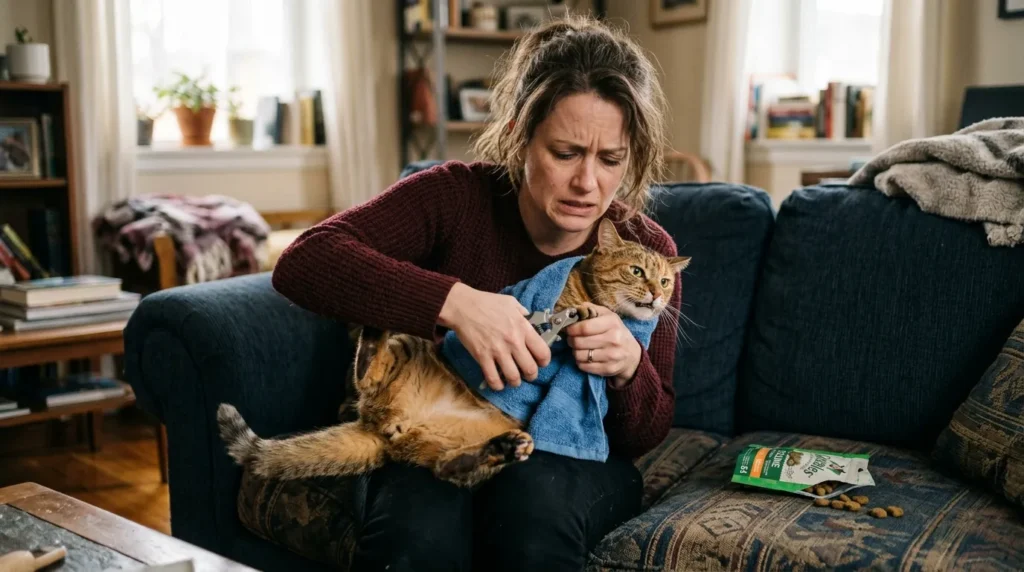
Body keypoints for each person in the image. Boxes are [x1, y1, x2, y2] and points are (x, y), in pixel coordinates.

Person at [272, 14, 681, 572]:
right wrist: (458, 303)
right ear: (518, 133)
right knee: (413, 543)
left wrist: (629, 368)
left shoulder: (647, 248)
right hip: (447, 429)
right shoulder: (454, 197)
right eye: (565, 153)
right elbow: (304, 262)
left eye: (611, 159)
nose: (588, 184)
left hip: (575, 459)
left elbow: (646, 433)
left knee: (531, 519)